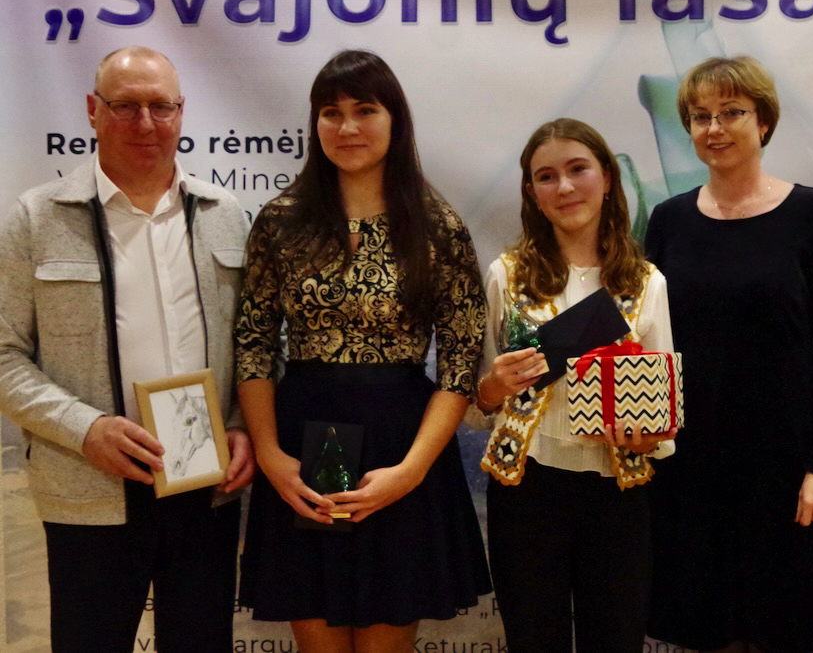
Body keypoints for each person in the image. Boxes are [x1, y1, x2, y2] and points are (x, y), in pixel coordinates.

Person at [234, 50, 491, 653]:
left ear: (395, 120)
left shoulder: (437, 225)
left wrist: (411, 471)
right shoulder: (282, 221)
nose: (347, 127)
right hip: (300, 446)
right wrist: (270, 455)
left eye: (365, 110)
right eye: (331, 112)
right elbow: (252, 343)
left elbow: (460, 361)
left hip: (401, 445)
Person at [0, 46, 254, 653]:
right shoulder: (36, 218)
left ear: (181, 112)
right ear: (93, 110)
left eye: (160, 106)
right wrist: (85, 429)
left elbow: (256, 344)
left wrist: (244, 425)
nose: (145, 122)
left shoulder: (224, 215)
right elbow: (5, 355)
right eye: (125, 106)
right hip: (90, 483)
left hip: (205, 483)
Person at [645, 57, 813, 653]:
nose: (715, 128)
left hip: (789, 471)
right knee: (705, 633)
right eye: (700, 116)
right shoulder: (667, 222)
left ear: (763, 122)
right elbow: (645, 340)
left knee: (787, 632)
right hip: (692, 470)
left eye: (732, 112)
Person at [469, 118, 675, 653]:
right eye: (546, 176)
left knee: (617, 641)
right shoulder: (506, 275)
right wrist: (494, 387)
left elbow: (662, 409)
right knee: (534, 641)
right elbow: (476, 403)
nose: (564, 187)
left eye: (578, 169)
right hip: (526, 490)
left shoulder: (646, 282)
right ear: (532, 193)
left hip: (617, 491)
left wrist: (650, 435)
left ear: (607, 178)